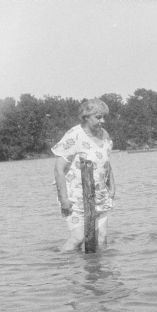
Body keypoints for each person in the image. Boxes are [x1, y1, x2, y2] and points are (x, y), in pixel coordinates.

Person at [52, 98, 115, 251]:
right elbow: (58, 169)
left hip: (99, 196)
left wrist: (112, 187)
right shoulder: (74, 135)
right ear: (86, 117)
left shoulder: (104, 135)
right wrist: (64, 199)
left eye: (103, 117)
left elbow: (106, 163)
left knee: (101, 240)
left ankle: (95, 271)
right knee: (78, 238)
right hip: (76, 198)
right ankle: (58, 268)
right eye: (98, 117)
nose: (103, 121)